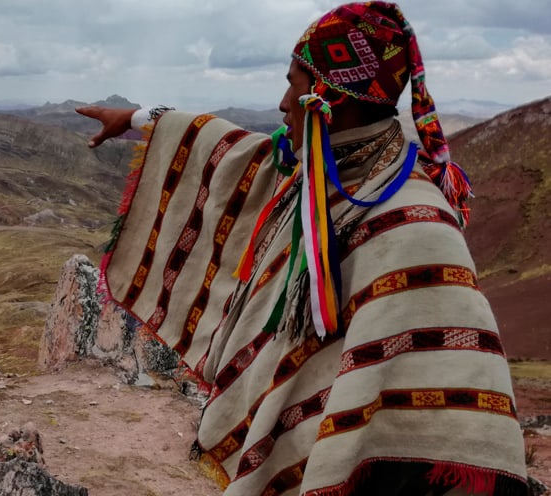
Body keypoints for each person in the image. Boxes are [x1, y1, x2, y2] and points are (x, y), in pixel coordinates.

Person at [77, 2, 528, 495]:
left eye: (295, 83)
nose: (283, 102)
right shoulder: (323, 172)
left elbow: (450, 411)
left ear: (331, 99)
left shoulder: (417, 225)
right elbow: (239, 153)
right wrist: (138, 119)